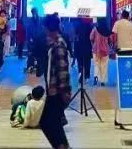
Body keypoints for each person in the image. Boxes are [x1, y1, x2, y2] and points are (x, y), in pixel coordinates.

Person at [38, 14, 71, 149]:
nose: (45, 30)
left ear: (49, 28)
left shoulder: (59, 44)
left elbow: (62, 68)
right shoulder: (55, 43)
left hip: (57, 91)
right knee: (53, 123)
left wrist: (64, 91)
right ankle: (62, 146)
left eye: (45, 27)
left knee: (47, 122)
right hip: (54, 90)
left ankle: (62, 146)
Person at [89, 17, 112, 86]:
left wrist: (93, 45)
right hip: (105, 51)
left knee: (96, 65)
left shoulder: (95, 29)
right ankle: (102, 81)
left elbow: (91, 38)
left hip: (96, 50)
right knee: (104, 66)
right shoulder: (108, 30)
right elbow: (110, 41)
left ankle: (96, 79)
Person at [72, 18, 92, 85]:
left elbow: (76, 39)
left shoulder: (78, 28)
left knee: (80, 64)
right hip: (87, 48)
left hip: (79, 48)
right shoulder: (89, 27)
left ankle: (81, 77)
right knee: (87, 63)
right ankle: (86, 77)